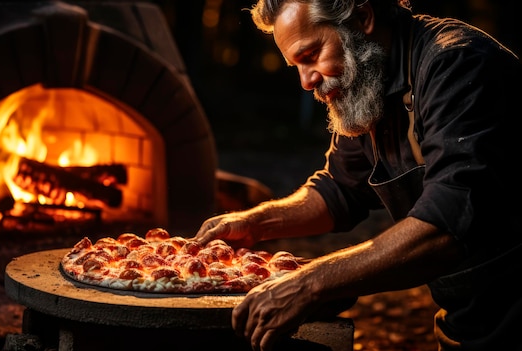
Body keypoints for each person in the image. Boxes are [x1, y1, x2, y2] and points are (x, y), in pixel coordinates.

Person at [193, 0, 522, 350]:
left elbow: (449, 225)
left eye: (311, 55)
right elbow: (338, 189)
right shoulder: (369, 81)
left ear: (363, 18)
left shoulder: (456, 64)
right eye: (296, 66)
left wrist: (311, 283)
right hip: (468, 320)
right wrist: (255, 222)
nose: (306, 81)